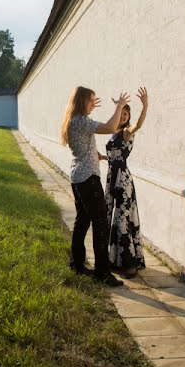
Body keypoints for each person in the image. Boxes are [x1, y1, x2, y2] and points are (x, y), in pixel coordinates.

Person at [61, 86, 129, 287]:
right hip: (88, 179)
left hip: (78, 177)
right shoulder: (81, 121)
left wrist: (95, 155)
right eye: (91, 100)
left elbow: (83, 145)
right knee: (100, 223)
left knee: (82, 221)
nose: (94, 103)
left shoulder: (75, 120)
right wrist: (119, 107)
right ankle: (102, 272)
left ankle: (77, 264)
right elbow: (109, 128)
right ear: (82, 101)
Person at [104, 87, 149, 277]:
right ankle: (115, 259)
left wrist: (145, 105)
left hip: (122, 180)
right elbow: (114, 155)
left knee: (122, 219)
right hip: (111, 177)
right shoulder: (115, 131)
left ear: (128, 116)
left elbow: (138, 125)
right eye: (121, 113)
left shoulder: (127, 132)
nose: (122, 116)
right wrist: (101, 156)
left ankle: (129, 263)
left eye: (125, 114)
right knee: (111, 218)